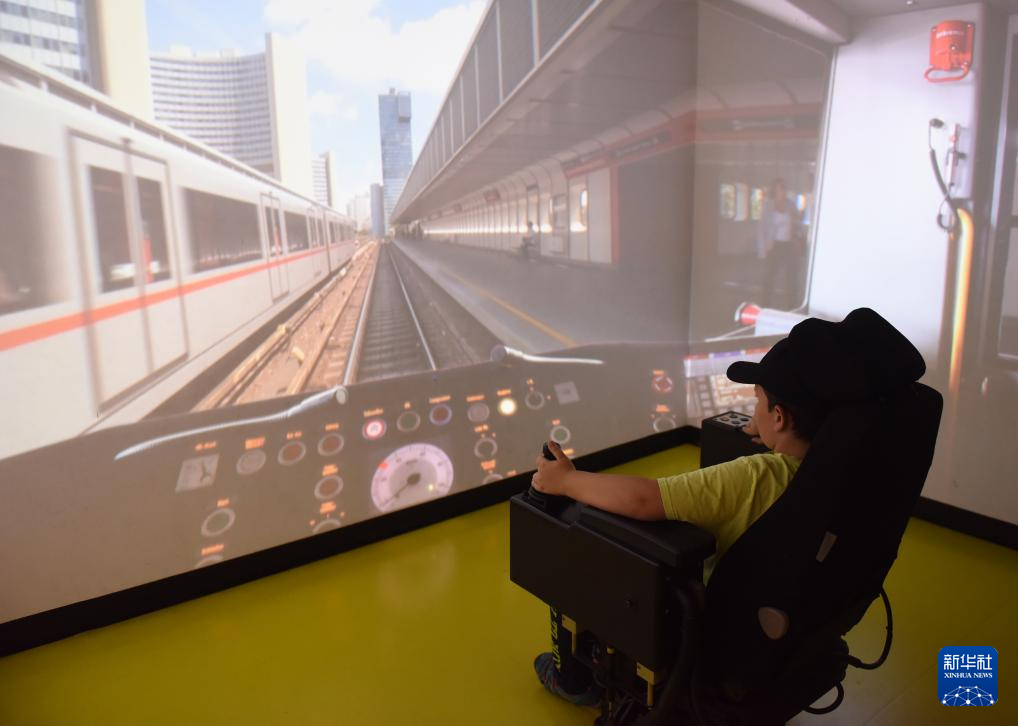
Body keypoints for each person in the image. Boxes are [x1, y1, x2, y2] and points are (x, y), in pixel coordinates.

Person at [528, 311, 855, 707]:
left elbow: (645, 500)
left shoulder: (758, 476)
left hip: (721, 623)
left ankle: (573, 679)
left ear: (780, 416)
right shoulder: (843, 476)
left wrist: (565, 481)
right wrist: (774, 436)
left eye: (758, 401)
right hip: (792, 623)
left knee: (576, 545)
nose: (754, 411)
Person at [756, 178, 805, 309]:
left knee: (792, 276)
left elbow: (798, 224)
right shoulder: (768, 206)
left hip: (789, 245)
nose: (782, 190)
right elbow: (762, 228)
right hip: (774, 246)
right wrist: (762, 251)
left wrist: (797, 239)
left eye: (783, 188)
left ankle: (792, 305)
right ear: (774, 190)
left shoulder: (791, 205)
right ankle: (765, 304)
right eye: (779, 188)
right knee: (769, 276)